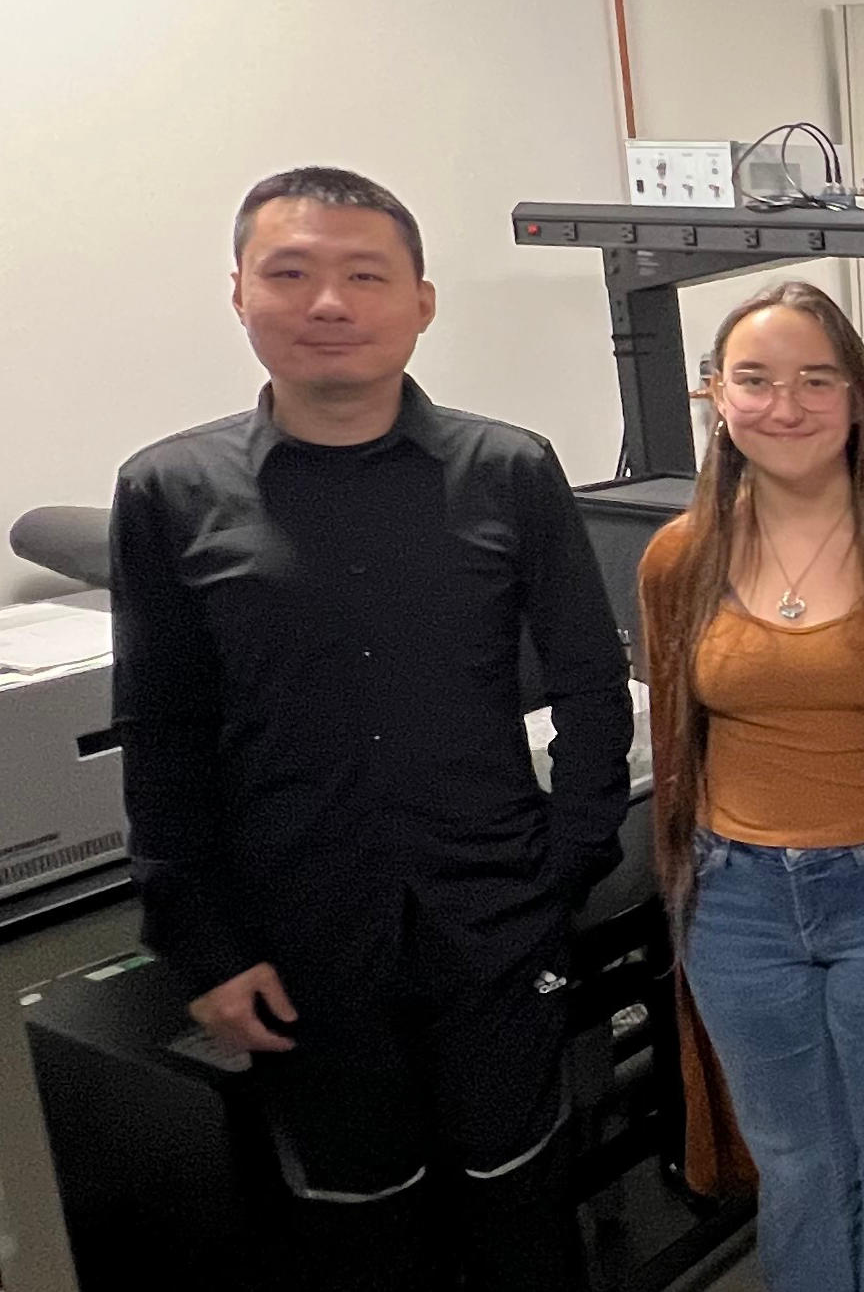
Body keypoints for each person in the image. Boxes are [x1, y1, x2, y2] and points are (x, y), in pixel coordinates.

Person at [110, 166, 631, 1290]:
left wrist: (566, 864)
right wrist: (205, 945)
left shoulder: (508, 469)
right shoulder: (167, 491)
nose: (328, 303)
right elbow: (163, 735)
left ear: (421, 302)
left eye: (364, 275)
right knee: (362, 1229)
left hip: (493, 923)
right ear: (239, 293)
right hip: (298, 938)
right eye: (290, 273)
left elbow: (593, 684)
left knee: (522, 1211)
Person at [637, 281, 864, 1292]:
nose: (785, 405)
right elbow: (677, 741)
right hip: (735, 901)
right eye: (755, 380)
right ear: (718, 395)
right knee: (795, 1164)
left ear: (856, 397)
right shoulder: (680, 559)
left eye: (815, 379)